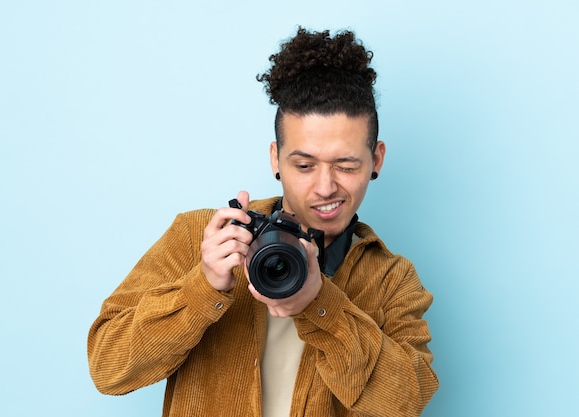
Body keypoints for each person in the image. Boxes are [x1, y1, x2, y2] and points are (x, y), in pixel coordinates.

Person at [88, 27, 439, 417]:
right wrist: (202, 289)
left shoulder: (393, 281)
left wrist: (319, 304)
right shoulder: (200, 239)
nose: (325, 187)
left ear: (376, 160)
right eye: (304, 165)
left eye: (346, 165)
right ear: (275, 158)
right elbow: (108, 369)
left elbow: (405, 404)